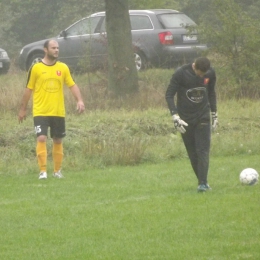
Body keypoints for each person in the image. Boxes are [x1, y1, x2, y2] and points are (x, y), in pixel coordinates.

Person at [18, 39, 85, 179]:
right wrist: (23, 109)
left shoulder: (63, 68)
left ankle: (57, 171)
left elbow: (72, 85)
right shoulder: (36, 68)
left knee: (58, 140)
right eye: (53, 48)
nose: (56, 50)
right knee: (41, 137)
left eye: (57, 48)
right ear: (45, 50)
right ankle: (43, 171)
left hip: (58, 111)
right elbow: (28, 89)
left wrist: (79, 100)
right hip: (40, 111)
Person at [165, 57, 218, 192]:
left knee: (202, 150)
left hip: (203, 116)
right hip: (185, 118)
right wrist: (175, 116)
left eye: (203, 74)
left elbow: (211, 92)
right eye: (199, 73)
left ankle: (203, 183)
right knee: (192, 152)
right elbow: (169, 95)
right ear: (194, 67)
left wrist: (214, 113)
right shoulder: (181, 73)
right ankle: (201, 182)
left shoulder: (210, 73)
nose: (201, 76)